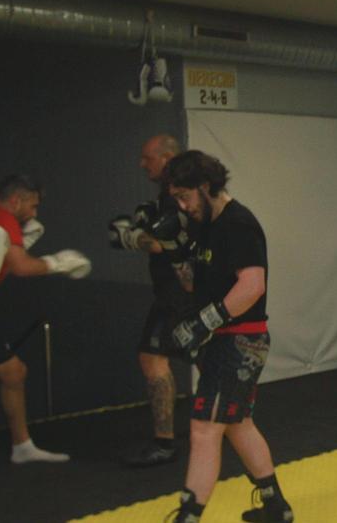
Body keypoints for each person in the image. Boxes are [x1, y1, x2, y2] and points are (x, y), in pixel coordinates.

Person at [162, 151, 292, 523]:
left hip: (240, 341)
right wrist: (173, 248)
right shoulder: (206, 225)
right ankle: (276, 507)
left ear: (205, 187)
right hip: (222, 340)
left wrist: (204, 322)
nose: (183, 206)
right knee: (237, 423)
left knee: (204, 427)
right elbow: (193, 282)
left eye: (185, 197)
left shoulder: (239, 224)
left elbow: (252, 285)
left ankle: (188, 517)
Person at [0, 174, 91, 464]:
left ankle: (22, 446)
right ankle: (22, 446)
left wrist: (19, 242)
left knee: (13, 373)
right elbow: (21, 268)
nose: (34, 214)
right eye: (32, 206)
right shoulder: (3, 218)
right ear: (16, 200)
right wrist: (59, 263)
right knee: (14, 373)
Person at [113, 134, 193, 468]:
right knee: (203, 357)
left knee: (152, 359)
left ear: (168, 157)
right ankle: (223, 424)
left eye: (148, 158)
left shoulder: (179, 195)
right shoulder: (173, 194)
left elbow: (163, 243)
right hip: (181, 288)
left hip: (179, 290)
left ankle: (164, 442)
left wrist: (130, 237)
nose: (142, 164)